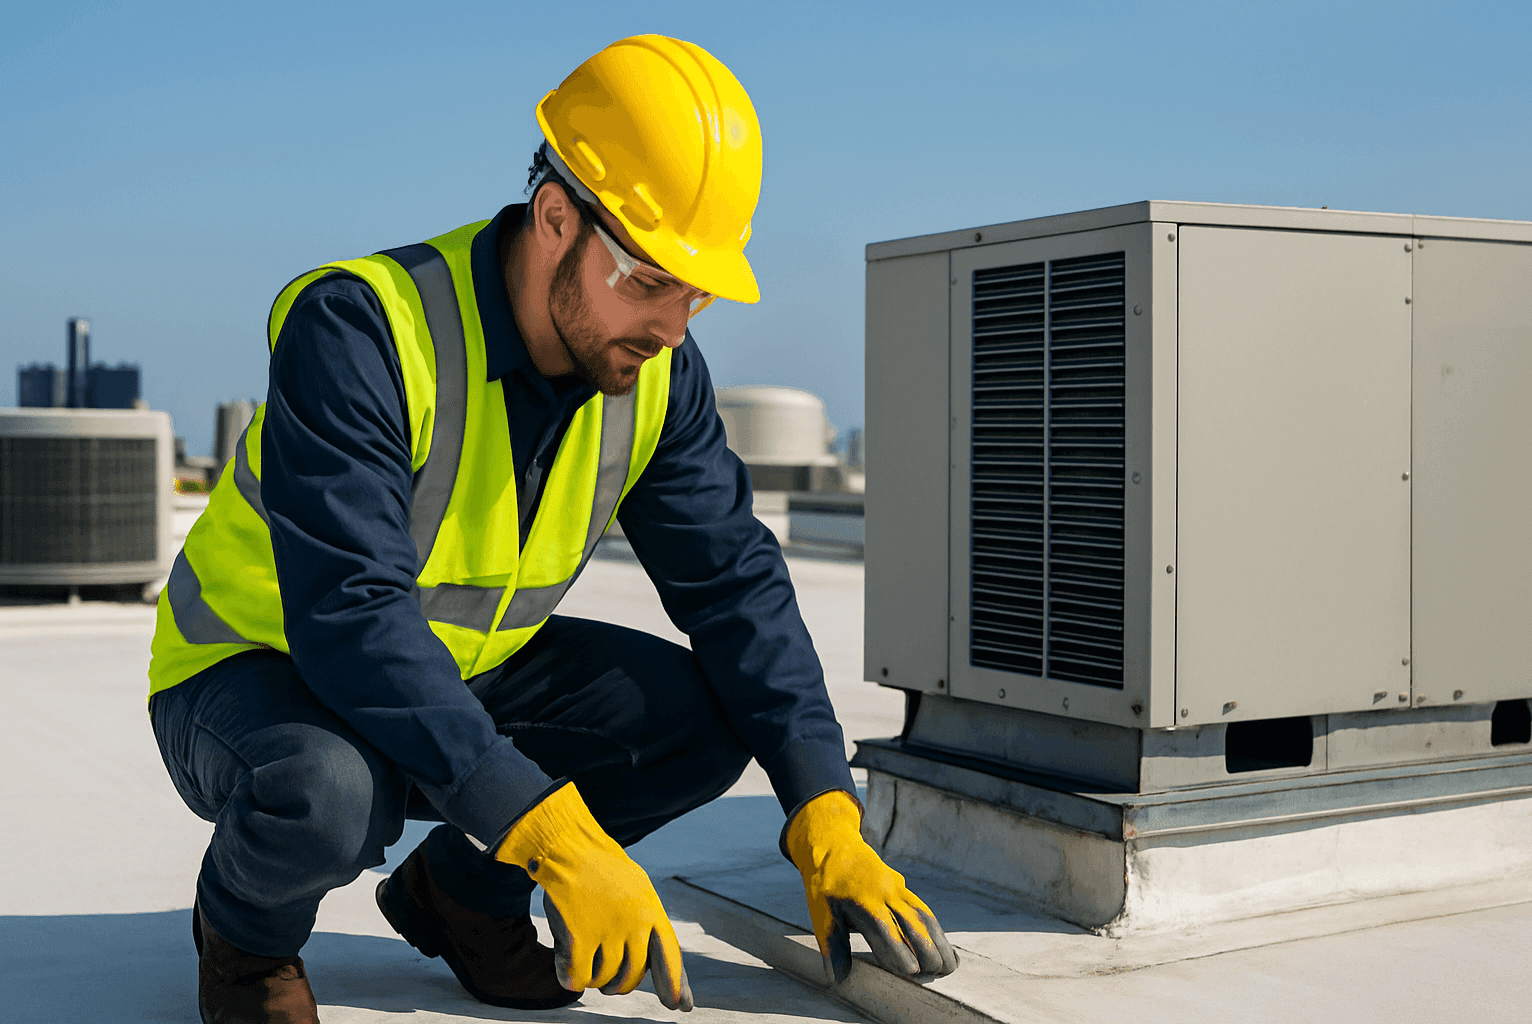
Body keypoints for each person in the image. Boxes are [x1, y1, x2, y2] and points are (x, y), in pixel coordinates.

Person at [147, 35, 957, 1024]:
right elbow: (352, 618)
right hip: (251, 671)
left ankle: (461, 893)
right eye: (650, 280)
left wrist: (823, 802)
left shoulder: (655, 372)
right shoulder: (361, 331)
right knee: (331, 791)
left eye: (695, 292)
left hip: (453, 668)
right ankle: (243, 940)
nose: (673, 324)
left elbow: (736, 587)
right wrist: (549, 830)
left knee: (701, 726)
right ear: (555, 216)